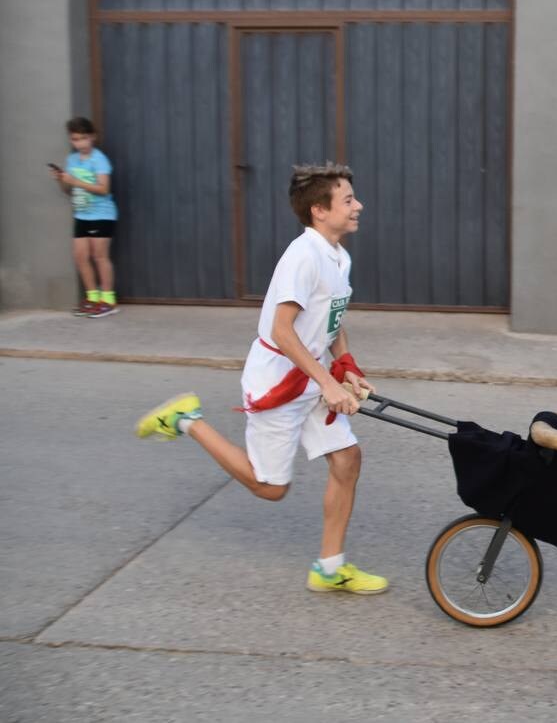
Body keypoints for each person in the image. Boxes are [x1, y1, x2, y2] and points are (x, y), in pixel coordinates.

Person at [135, 162, 388, 594]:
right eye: (348, 199)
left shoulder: (338, 256)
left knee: (347, 459)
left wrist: (345, 366)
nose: (358, 205)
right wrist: (327, 383)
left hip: (309, 373)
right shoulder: (302, 258)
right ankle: (186, 420)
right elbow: (281, 330)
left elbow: (331, 318)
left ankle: (329, 568)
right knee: (271, 488)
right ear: (319, 211)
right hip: (278, 377)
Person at [50, 117, 119, 318]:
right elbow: (67, 190)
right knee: (80, 256)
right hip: (82, 214)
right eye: (75, 139)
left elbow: (104, 189)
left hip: (102, 214)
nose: (80, 143)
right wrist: (61, 180)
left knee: (99, 256)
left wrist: (75, 181)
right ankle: (92, 297)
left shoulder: (100, 159)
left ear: (92, 137)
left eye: (83, 138)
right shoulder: (72, 160)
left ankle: (108, 300)